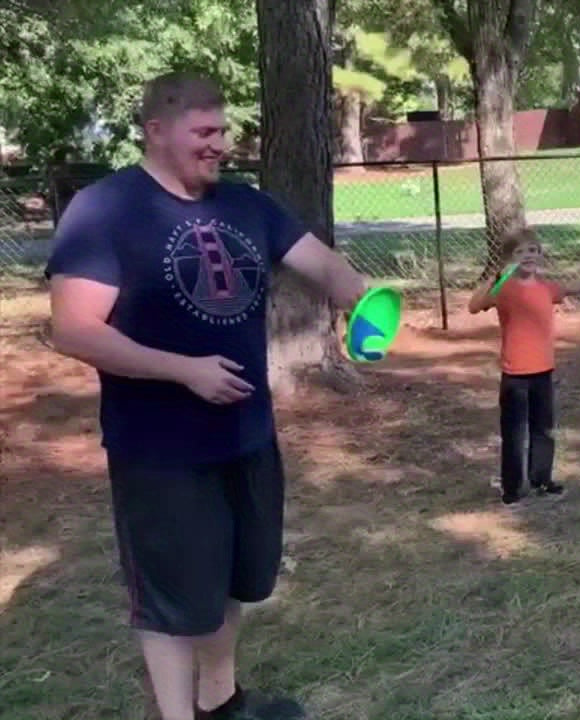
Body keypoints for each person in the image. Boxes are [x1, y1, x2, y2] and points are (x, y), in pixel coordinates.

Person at [44, 71, 369, 720]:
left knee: (234, 581)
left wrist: (364, 298)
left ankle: (221, 702)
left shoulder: (247, 205)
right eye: (204, 132)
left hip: (247, 435)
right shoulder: (106, 210)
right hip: (160, 451)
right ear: (156, 131)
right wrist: (183, 370)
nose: (220, 143)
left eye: (223, 130)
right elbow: (74, 330)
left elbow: (327, 268)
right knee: (173, 601)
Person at [467, 228, 580, 507]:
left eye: (533, 250)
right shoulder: (504, 289)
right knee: (515, 434)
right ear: (510, 258)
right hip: (515, 374)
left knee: (543, 429)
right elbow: (474, 306)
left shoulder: (546, 288)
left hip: (543, 371)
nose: (528, 256)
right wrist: (495, 276)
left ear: (540, 255)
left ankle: (542, 479)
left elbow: (573, 288)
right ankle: (513, 488)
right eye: (520, 252)